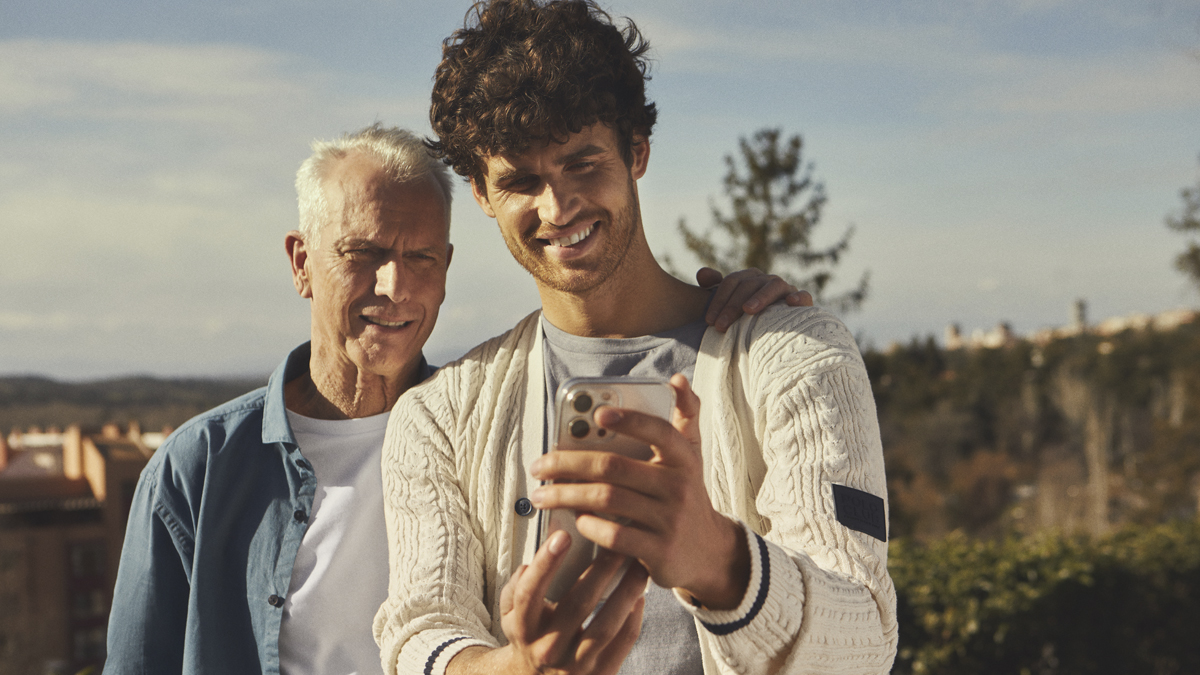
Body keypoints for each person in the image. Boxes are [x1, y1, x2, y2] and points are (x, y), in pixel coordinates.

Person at [103, 122, 807, 674]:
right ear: (300, 262)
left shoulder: (471, 428)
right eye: (364, 254)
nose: (394, 287)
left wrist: (730, 310)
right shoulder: (198, 468)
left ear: (445, 271)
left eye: (421, 259)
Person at [372, 2, 897, 675]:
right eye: (521, 182)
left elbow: (865, 639)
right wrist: (517, 668)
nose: (558, 210)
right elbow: (419, 632)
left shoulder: (793, 355)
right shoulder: (439, 416)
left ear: (636, 151)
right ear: (479, 193)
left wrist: (717, 559)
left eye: (582, 163)